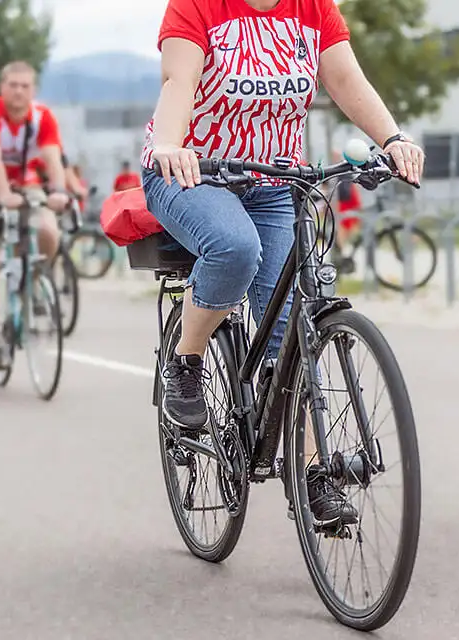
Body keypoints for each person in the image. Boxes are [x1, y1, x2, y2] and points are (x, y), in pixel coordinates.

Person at [141, 0, 424, 525]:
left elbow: (345, 81)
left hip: (277, 178)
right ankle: (187, 359)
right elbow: (177, 82)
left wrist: (394, 137)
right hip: (191, 172)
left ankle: (314, 473)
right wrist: (169, 145)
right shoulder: (196, 6)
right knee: (235, 248)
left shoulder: (314, 7)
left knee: (290, 332)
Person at [0, 60, 70, 371]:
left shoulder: (42, 117)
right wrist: (3, 195)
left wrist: (59, 189)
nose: (19, 91)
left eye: (25, 86)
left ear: (33, 90)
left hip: (26, 186)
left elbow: (51, 156)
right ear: (2, 88)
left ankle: (37, 281)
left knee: (48, 231)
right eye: (13, 85)